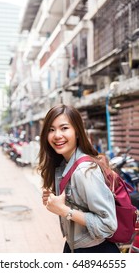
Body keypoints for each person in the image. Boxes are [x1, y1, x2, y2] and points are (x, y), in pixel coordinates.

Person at [38, 104, 120, 253]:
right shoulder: (64, 164)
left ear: (77, 132)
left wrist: (64, 210)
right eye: (51, 129)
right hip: (74, 247)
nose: (57, 135)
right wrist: (56, 201)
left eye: (64, 128)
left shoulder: (84, 171)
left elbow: (108, 225)